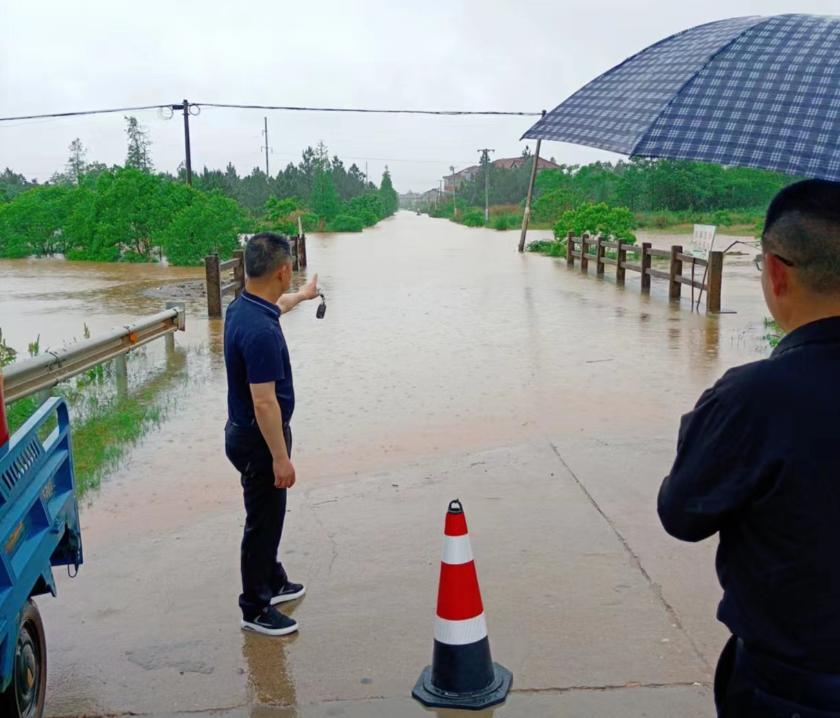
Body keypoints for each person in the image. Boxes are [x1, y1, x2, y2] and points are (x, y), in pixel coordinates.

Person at [658, 179, 840, 716]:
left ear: (777, 272)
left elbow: (683, 513)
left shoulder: (754, 397)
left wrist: (708, 416)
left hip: (789, 689)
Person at [224, 232, 319, 636]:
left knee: (269, 515)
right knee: (263, 522)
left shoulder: (243, 308)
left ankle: (273, 579)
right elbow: (264, 402)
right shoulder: (261, 332)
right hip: (260, 442)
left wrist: (303, 295)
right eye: (291, 274)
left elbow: (278, 306)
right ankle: (255, 607)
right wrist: (281, 457)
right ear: (281, 270)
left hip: (244, 433)